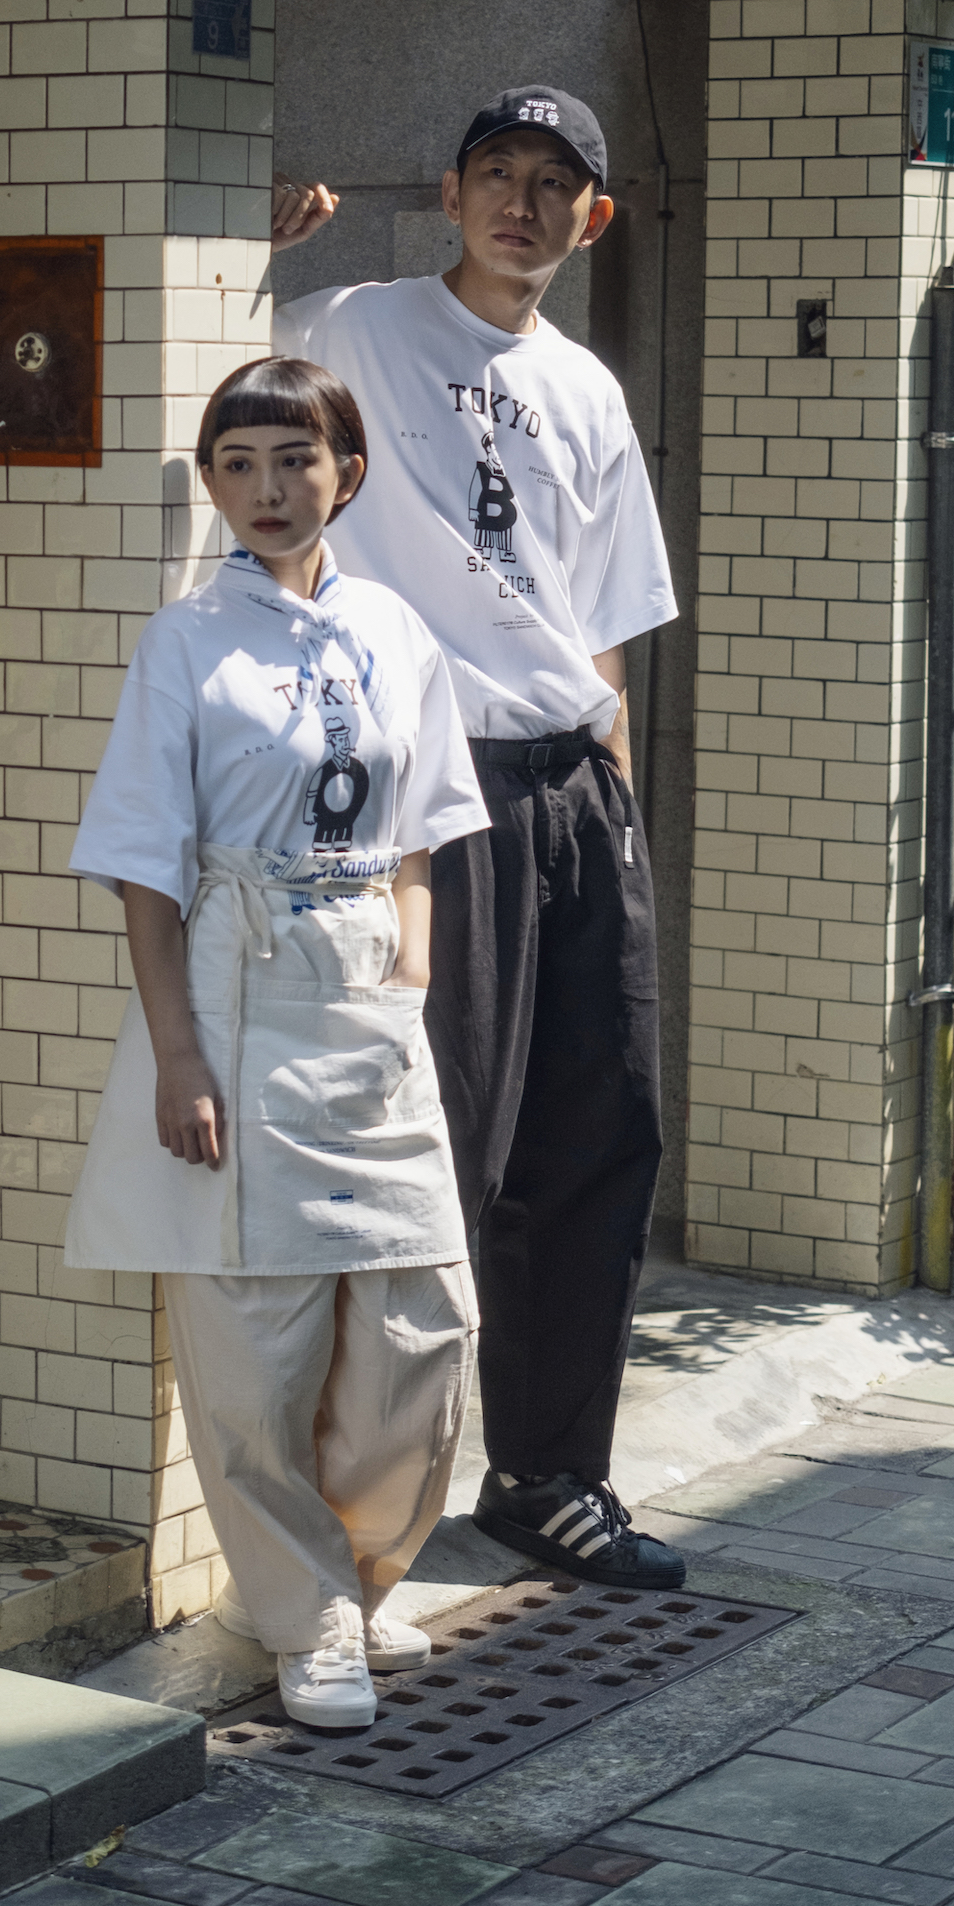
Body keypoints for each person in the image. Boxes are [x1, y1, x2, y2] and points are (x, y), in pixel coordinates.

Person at [271, 88, 685, 1590]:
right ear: (448, 195)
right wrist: (244, 248)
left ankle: (549, 1476)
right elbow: (197, 358)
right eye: (497, 173)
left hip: (574, 786)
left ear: (596, 218)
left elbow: (602, 623)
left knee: (599, 1127)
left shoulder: (588, 390)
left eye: (555, 182)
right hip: (432, 792)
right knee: (439, 1136)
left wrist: (617, 805)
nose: (523, 201)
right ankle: (367, 1499)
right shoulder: (356, 323)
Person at [64, 356, 487, 1732]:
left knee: (421, 1332)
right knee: (256, 1347)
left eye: (295, 459)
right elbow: (145, 868)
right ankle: (309, 1621)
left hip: (366, 998)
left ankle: (350, 1576)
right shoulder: (184, 642)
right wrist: (177, 1055)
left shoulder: (396, 630)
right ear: (211, 482)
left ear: (345, 475)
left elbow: (420, 833)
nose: (267, 488)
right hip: (238, 1002)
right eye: (237, 463)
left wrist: (412, 966)